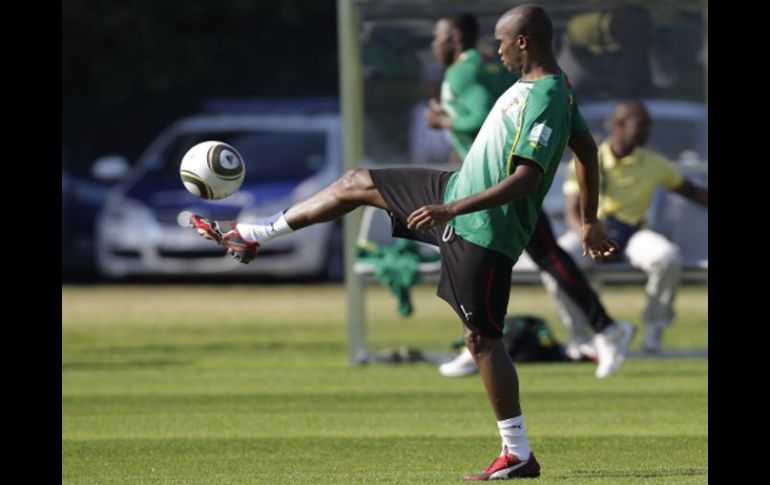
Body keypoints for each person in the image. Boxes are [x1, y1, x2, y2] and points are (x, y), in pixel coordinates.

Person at [187, 5, 627, 480]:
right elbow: (585, 150)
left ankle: (517, 452)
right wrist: (588, 220)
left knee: (482, 340)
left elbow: (527, 177)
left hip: (481, 228)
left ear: (523, 42)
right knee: (357, 181)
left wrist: (453, 211)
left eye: (502, 42)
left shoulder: (546, 96)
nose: (495, 51)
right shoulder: (548, 89)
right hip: (452, 193)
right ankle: (253, 235)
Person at [424, 12, 634, 378]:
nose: (433, 45)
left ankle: (605, 328)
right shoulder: (516, 74)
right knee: (530, 259)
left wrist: (444, 122)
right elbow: (584, 147)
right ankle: (478, 341)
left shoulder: (466, 73)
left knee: (545, 258)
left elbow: (477, 118)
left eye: (438, 37)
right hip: (491, 182)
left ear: (455, 38)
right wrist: (589, 219)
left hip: (499, 186)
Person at [546, 99, 708, 354]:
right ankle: (581, 336)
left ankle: (654, 327)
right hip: (591, 233)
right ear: (618, 125)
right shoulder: (588, 157)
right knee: (556, 264)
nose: (647, 131)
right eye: (641, 125)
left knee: (667, 257)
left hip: (633, 234)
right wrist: (589, 237)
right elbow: (571, 212)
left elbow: (692, 191)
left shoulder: (654, 163)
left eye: (648, 126)